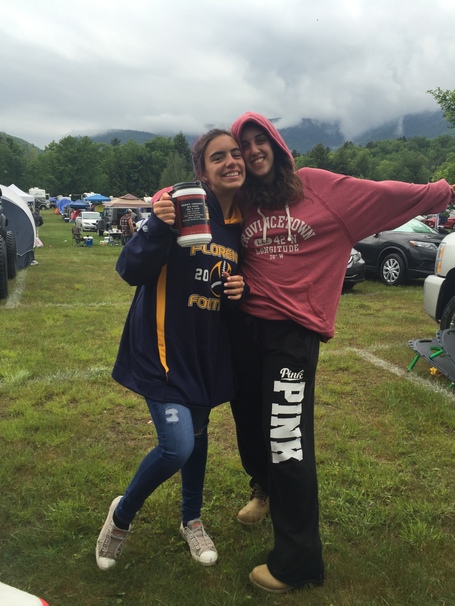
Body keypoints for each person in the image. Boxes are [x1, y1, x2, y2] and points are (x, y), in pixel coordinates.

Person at [227, 111, 455, 594]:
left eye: (259, 140)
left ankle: (297, 564)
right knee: (249, 425)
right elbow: (197, 195)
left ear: (277, 145)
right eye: (243, 144)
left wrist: (443, 190)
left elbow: (387, 194)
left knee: (285, 440)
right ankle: (265, 491)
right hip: (244, 331)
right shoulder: (242, 198)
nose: (252, 151)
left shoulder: (319, 188)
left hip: (292, 336)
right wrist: (164, 200)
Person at [96, 129, 247, 570]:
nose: (231, 161)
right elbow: (130, 269)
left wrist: (238, 289)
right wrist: (158, 224)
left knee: (197, 437)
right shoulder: (183, 206)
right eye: (218, 157)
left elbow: (220, 286)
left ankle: (191, 520)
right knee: (177, 446)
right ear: (203, 171)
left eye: (235, 153)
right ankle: (121, 517)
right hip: (161, 351)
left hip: (204, 355)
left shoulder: (240, 225)